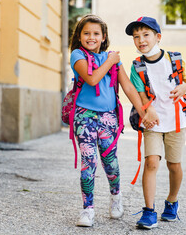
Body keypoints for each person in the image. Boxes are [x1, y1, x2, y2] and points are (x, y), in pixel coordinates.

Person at [69, 14, 149, 227]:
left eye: (96, 33)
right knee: (88, 163)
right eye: (86, 33)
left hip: (108, 118)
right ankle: (87, 209)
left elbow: (129, 87)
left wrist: (143, 112)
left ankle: (116, 197)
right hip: (84, 116)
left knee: (110, 162)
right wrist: (111, 60)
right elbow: (92, 77)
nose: (91, 37)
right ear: (79, 36)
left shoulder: (112, 58)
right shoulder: (77, 55)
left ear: (104, 37)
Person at [125, 16, 186, 229]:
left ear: (158, 37)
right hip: (152, 121)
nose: (141, 40)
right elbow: (141, 94)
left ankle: (172, 201)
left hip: (176, 120)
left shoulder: (174, 60)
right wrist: (149, 110)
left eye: (145, 35)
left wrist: (184, 88)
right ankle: (149, 211)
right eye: (136, 37)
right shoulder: (137, 66)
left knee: (174, 165)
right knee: (151, 163)